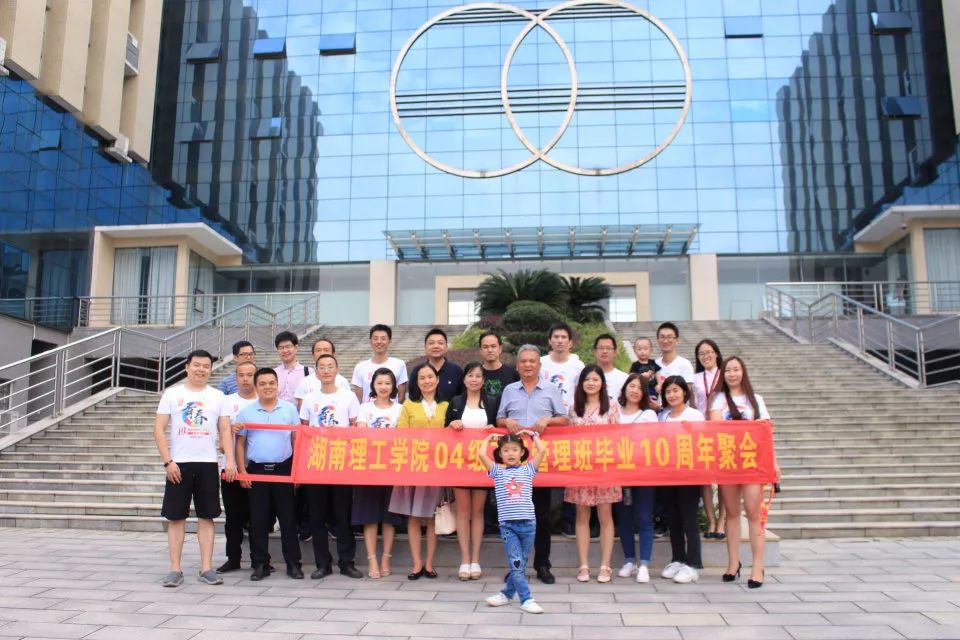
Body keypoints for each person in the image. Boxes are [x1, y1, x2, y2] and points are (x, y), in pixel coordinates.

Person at [154, 349, 234, 587]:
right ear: (187, 367)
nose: (201, 369)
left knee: (207, 516)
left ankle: (206, 568)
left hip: (208, 463)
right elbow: (158, 429)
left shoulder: (218, 396)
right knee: (176, 517)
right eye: (197, 365)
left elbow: (225, 430)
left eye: (206, 366)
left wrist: (230, 460)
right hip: (178, 464)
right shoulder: (173, 393)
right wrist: (168, 461)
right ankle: (174, 569)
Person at [496, 344, 569, 584]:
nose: (527, 365)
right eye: (523, 361)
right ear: (517, 365)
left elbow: (565, 419)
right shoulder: (509, 390)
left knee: (542, 516)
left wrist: (549, 420)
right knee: (514, 518)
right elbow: (498, 418)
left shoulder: (550, 389)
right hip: (513, 465)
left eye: (532, 361)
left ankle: (543, 565)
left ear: (539, 365)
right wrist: (506, 422)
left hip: (540, 464)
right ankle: (516, 566)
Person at [709, 356, 779, 589]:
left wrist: (774, 463)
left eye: (736, 369)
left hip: (752, 463)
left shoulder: (755, 399)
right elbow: (716, 428)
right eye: (728, 370)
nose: (732, 374)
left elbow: (766, 433)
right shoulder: (718, 399)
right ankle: (733, 563)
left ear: (743, 372)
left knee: (753, 513)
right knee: (731, 513)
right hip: (728, 461)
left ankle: (757, 566)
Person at [234, 368, 303, 581]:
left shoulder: (289, 409)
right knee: (258, 520)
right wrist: (242, 471)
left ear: (277, 385)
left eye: (272, 383)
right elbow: (240, 443)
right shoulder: (246, 412)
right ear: (256, 386)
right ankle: (260, 564)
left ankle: (293, 564)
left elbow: (296, 440)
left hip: (284, 470)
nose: (268, 387)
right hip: (257, 471)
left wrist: (297, 471)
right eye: (262, 383)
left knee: (288, 520)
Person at [299, 353, 362, 579]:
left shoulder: (348, 396)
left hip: (341, 463)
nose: (326, 370)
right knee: (317, 517)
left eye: (330, 366)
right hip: (316, 464)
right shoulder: (309, 398)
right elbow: (304, 430)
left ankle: (347, 562)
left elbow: (355, 427)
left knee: (342, 515)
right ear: (316, 372)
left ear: (337, 370)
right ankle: (322, 564)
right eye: (322, 367)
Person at [389, 364, 449, 580]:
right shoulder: (409, 405)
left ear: (437, 380)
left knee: (432, 516)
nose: (426, 381)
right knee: (413, 516)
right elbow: (401, 432)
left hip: (437, 468)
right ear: (417, 382)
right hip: (413, 467)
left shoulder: (446, 405)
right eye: (422, 378)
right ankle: (416, 564)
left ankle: (429, 563)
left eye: (430, 377)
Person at [479, 431, 547, 615]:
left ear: (522, 452)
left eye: (515, 449)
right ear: (500, 454)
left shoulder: (528, 469)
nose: (511, 453)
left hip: (528, 525)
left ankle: (506, 594)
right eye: (506, 450)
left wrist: (533, 435)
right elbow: (481, 454)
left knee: (520, 565)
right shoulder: (497, 472)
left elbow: (542, 451)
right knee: (516, 564)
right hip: (508, 526)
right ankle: (527, 599)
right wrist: (488, 439)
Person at [566, 365, 621, 584]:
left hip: (605, 468)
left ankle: (605, 565)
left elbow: (618, 438)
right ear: (581, 383)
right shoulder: (573, 409)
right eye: (587, 379)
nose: (591, 383)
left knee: (605, 516)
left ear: (602, 384)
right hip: (580, 469)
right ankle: (583, 565)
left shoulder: (612, 407)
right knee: (582, 516)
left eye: (595, 379)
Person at [445, 362, 498, 581]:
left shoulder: (492, 402)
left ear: (483, 380)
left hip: (482, 465)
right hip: (460, 465)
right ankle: (464, 560)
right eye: (470, 375)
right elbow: (444, 432)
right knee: (463, 512)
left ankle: (475, 559)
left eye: (478, 376)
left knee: (478, 512)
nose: (474, 379)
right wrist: (453, 425)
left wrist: (493, 429)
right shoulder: (456, 402)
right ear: (464, 379)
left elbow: (498, 430)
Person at [353, 367, 403, 579]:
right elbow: (362, 433)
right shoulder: (365, 408)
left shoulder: (400, 409)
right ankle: (372, 558)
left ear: (394, 386)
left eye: (388, 383)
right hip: (369, 468)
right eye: (379, 383)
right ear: (373, 385)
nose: (384, 387)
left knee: (390, 516)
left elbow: (403, 435)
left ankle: (386, 558)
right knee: (370, 516)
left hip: (393, 467)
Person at [657, 375, 704, 585]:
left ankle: (693, 564)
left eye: (676, 390)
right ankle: (677, 558)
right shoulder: (663, 416)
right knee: (673, 519)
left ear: (685, 392)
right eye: (668, 391)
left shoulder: (694, 415)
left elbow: (703, 442)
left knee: (688, 519)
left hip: (689, 474)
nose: (672, 395)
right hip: (667, 474)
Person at [615, 372, 659, 583]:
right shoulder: (614, 411)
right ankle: (629, 560)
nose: (634, 391)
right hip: (620, 473)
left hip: (644, 473)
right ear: (625, 388)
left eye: (640, 388)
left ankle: (644, 564)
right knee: (623, 517)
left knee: (643, 516)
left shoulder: (649, 415)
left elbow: (654, 441)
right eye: (631, 386)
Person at [216, 360, 258, 573]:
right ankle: (233, 558)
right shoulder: (226, 402)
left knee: (258, 517)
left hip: (258, 467)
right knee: (233, 517)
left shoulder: (263, 400)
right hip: (230, 467)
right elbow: (221, 435)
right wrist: (230, 431)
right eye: (241, 375)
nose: (245, 379)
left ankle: (259, 560)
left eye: (250, 375)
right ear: (235, 377)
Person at [692, 338, 725, 540]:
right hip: (701, 432)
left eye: (709, 352)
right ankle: (711, 520)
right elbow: (692, 403)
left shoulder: (725, 374)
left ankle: (722, 521)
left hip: (722, 431)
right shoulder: (696, 378)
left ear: (716, 353)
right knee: (704, 479)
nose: (706, 356)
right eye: (701, 354)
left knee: (723, 480)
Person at [351, 324, 409, 403]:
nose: (379, 342)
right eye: (375, 338)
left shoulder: (399, 365)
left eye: (383, 338)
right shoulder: (360, 367)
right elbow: (358, 400)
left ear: (389, 341)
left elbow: (401, 398)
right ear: (370, 341)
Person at [409, 328, 464, 402]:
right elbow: (413, 398)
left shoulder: (456, 371)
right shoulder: (417, 371)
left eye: (440, 343)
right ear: (425, 347)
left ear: (446, 347)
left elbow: (462, 399)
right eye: (431, 343)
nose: (436, 346)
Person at [294, 338, 351, 409]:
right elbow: (302, 411)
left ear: (333, 354)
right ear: (313, 355)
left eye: (326, 350)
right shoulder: (304, 382)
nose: (322, 353)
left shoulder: (342, 381)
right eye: (318, 350)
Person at [540, 322, 584, 411]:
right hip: (544, 413)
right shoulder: (540, 363)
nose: (560, 341)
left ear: (570, 342)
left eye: (564, 337)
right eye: (556, 337)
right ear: (549, 341)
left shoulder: (578, 366)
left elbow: (581, 392)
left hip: (570, 414)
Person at [478, 331, 519, 403]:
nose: (490, 350)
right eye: (485, 347)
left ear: (500, 349)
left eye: (493, 346)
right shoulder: (475, 375)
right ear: (480, 350)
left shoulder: (513, 374)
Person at [654, 322, 695, 393]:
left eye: (669, 337)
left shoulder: (685, 364)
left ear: (677, 340)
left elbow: (687, 393)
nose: (665, 341)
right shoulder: (654, 364)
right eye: (662, 337)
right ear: (657, 340)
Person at [273, 331, 309, 403]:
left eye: (288, 346)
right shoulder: (273, 373)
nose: (285, 350)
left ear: (296, 348)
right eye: (281, 348)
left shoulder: (308, 372)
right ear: (277, 350)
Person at [593, 333, 628, 401]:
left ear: (615, 352)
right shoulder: (586, 376)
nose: (604, 351)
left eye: (608, 348)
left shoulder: (624, 378)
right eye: (601, 348)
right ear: (595, 351)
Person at [629, 337, 661, 410]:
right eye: (639, 349)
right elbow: (631, 376)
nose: (642, 351)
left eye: (645, 349)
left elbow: (657, 372)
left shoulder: (653, 362)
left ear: (651, 350)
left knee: (653, 403)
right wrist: (641, 376)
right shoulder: (635, 365)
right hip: (641, 389)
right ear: (635, 351)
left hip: (652, 389)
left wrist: (659, 384)